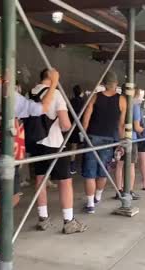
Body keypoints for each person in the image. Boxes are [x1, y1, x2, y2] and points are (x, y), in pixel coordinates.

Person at [0, 59, 62, 264]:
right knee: (11, 198)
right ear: (2, 74)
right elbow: (40, 109)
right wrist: (54, 83)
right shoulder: (8, 96)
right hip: (3, 156)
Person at [28, 69, 88, 233]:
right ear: (52, 77)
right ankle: (69, 221)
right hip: (54, 144)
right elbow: (66, 124)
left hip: (36, 144)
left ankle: (43, 218)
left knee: (40, 180)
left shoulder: (31, 92)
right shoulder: (56, 94)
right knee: (65, 182)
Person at [82, 71, 126, 214]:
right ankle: (98, 196)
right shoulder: (122, 100)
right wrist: (121, 141)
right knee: (103, 170)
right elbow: (121, 124)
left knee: (90, 171)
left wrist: (83, 133)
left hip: (93, 137)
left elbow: (86, 118)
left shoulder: (95, 97)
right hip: (109, 139)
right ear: (116, 84)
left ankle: (90, 205)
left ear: (103, 84)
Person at [115, 87, 145, 198]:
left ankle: (118, 189)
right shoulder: (135, 107)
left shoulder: (117, 103)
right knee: (130, 165)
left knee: (119, 165)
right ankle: (129, 190)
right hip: (130, 138)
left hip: (118, 137)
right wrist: (143, 129)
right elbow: (137, 127)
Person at [69, 85, 85, 174]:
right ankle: (83, 165)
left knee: (73, 146)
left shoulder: (71, 101)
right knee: (83, 146)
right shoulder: (83, 102)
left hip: (73, 126)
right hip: (81, 126)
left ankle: (72, 165)